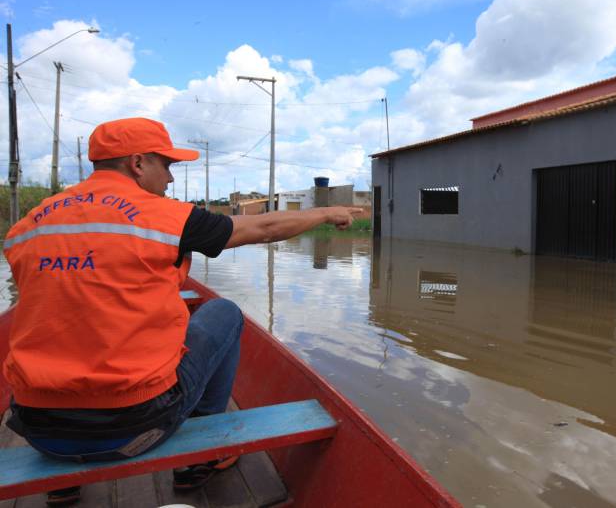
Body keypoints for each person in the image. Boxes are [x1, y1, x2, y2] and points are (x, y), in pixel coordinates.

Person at [2, 117, 361, 505]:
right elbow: (266, 227)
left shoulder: (28, 224)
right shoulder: (165, 216)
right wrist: (326, 213)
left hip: (37, 426)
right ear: (138, 163)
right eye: (168, 166)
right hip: (134, 425)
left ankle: (63, 480)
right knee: (224, 312)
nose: (171, 180)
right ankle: (200, 459)